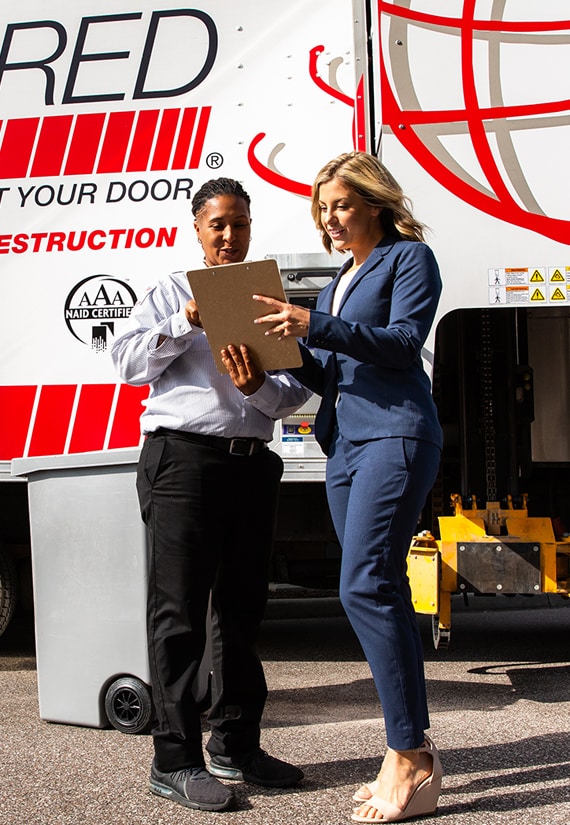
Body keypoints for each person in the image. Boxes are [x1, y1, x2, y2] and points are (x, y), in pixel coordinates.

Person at [252, 151, 443, 823]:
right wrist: (275, 350)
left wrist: (312, 322)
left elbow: (400, 342)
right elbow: (327, 371)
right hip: (347, 443)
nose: (331, 218)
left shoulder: (408, 259)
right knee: (377, 587)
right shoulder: (339, 280)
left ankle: (410, 752)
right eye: (324, 207)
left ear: (374, 204)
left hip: (396, 432)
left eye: (341, 204)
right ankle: (408, 750)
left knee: (363, 582)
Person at [111, 177, 309, 813]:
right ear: (197, 227)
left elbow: (292, 394)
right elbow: (128, 363)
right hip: (185, 463)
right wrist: (185, 321)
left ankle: (236, 745)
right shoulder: (170, 290)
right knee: (180, 615)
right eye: (219, 224)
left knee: (242, 613)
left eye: (241, 224)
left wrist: (255, 387)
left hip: (251, 464)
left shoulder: (261, 298)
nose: (231, 235)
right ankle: (173, 760)